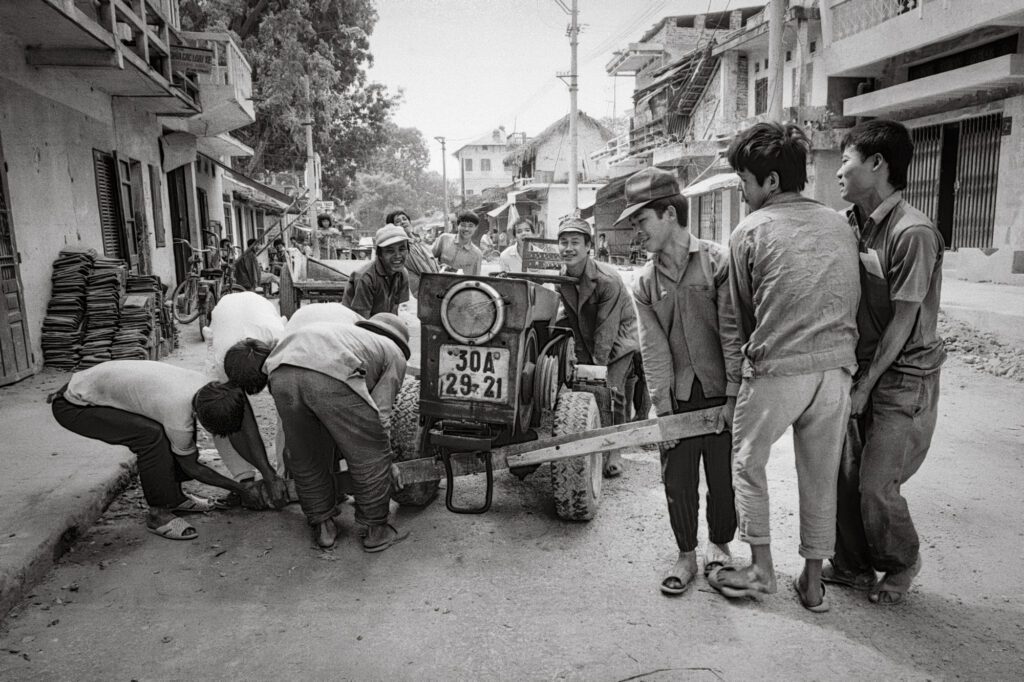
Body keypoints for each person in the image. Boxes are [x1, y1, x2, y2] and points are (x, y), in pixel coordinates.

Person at [707, 122, 860, 613]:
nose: (741, 189)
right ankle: (813, 584)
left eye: (744, 180)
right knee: (820, 475)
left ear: (771, 182)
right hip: (836, 371)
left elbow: (741, 314)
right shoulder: (840, 224)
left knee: (747, 462)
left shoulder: (749, 230)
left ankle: (762, 569)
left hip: (778, 368)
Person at [828, 119, 946, 605]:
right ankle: (852, 566)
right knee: (845, 474)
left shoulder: (912, 232)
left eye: (846, 161)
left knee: (877, 484)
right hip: (861, 366)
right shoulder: (850, 223)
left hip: (904, 376)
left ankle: (901, 562)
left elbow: (902, 323)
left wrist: (865, 385)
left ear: (877, 164)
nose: (838, 172)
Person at [618, 167, 742, 597]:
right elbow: (652, 349)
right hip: (679, 397)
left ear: (669, 213)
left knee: (724, 477)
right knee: (678, 479)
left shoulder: (717, 261)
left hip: (721, 392)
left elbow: (731, 331)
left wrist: (733, 395)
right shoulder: (645, 283)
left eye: (641, 221)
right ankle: (686, 555)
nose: (637, 232)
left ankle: (720, 545)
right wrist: (663, 408)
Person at [49, 360, 287, 541]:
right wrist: (240, 489)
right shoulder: (177, 413)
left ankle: (175, 498)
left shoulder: (209, 390)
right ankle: (158, 513)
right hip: (74, 405)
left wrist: (267, 474)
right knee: (151, 437)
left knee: (170, 435)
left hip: (89, 386)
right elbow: (191, 465)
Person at [250, 313, 412, 551]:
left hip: (280, 371)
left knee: (306, 455)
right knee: (371, 451)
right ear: (400, 342)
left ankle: (324, 527)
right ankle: (376, 531)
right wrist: (386, 461)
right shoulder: (394, 353)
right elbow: (381, 415)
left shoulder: (350, 336)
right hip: (328, 371)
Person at [555, 216, 649, 479]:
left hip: (620, 333)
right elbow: (572, 319)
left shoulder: (607, 279)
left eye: (575, 242)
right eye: (563, 243)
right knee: (583, 384)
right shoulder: (561, 279)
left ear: (589, 247)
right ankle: (591, 440)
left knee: (611, 389)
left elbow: (607, 331)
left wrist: (596, 368)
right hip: (589, 333)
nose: (568, 248)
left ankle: (614, 451)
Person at [202, 291, 286, 483]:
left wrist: (281, 474)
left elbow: (289, 413)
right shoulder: (222, 361)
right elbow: (242, 419)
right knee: (223, 411)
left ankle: (286, 474)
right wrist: (266, 471)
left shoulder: (279, 344)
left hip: (259, 306)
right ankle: (244, 477)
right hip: (226, 311)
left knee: (287, 404)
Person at [343, 225, 410, 319]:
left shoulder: (402, 274)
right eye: (390, 251)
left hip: (380, 323)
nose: (398, 255)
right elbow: (363, 321)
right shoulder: (366, 278)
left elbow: (395, 309)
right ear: (379, 254)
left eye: (402, 249)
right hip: (355, 325)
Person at [387, 209, 439, 298]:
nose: (403, 222)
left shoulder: (418, 242)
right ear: (392, 228)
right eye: (398, 221)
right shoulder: (399, 248)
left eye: (404, 219)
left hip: (434, 289)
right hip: (420, 295)